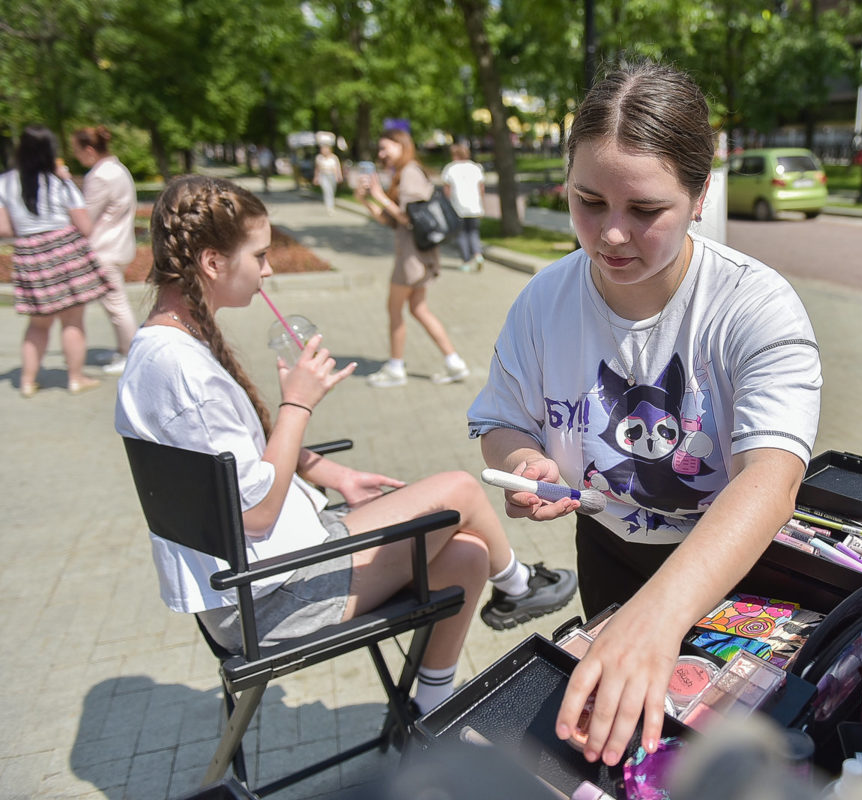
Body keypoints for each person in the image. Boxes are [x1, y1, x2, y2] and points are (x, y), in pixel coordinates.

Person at [467, 61, 822, 766]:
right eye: (587, 202)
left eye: (644, 210)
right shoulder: (543, 300)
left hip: (732, 566)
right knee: (622, 757)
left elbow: (770, 480)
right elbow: (499, 422)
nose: (610, 236)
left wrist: (656, 617)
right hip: (605, 553)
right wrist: (523, 462)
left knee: (721, 760)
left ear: (699, 196)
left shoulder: (754, 305)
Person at [114, 175, 577, 712]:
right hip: (265, 597)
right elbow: (258, 513)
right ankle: (520, 586)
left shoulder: (163, 349)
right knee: (457, 489)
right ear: (213, 263)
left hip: (265, 572)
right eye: (259, 255)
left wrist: (333, 475)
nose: (268, 270)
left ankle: (430, 708)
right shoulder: (183, 371)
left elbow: (239, 460)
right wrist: (298, 404)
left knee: (469, 552)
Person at [0, 124, 112, 397]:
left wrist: (29, 233)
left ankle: (27, 381)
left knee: (38, 324)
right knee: (72, 321)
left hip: (29, 253)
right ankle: (75, 378)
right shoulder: (60, 182)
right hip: (65, 251)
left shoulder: (5, 182)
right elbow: (84, 226)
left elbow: (3, 230)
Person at [356, 129, 470, 387]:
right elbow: (393, 221)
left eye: (386, 148)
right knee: (418, 308)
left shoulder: (409, 173)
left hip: (412, 258)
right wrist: (367, 201)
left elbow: (409, 218)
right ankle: (454, 363)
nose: (381, 154)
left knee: (394, 309)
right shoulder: (404, 173)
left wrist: (380, 195)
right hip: (418, 254)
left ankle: (396, 368)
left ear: (401, 145)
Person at [71, 125, 139, 375]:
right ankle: (123, 348)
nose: (75, 155)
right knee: (116, 303)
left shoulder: (99, 176)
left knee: (116, 305)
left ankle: (129, 352)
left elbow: (85, 219)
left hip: (104, 249)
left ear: (89, 150)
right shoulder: (117, 169)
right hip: (119, 246)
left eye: (76, 150)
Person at [441, 142, 486, 271]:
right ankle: (478, 254)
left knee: (461, 234)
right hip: (474, 205)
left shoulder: (450, 168)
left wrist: (447, 205)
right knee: (473, 232)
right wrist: (481, 204)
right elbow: (481, 188)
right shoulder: (475, 167)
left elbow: (447, 190)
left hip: (458, 206)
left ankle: (466, 261)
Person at [313, 143, 343, 215]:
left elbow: (337, 167)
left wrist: (339, 176)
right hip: (323, 176)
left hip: (332, 175)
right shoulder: (319, 158)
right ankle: (329, 207)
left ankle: (331, 205)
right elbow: (317, 169)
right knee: (327, 191)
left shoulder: (334, 157)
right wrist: (316, 177)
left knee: (332, 191)